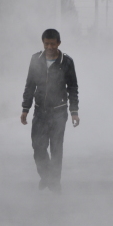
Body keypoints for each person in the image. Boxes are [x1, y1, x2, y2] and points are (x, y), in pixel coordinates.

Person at [20, 29, 80, 191]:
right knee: (38, 147)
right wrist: (25, 108)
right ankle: (47, 176)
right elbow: (30, 85)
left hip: (59, 112)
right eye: (46, 43)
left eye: (53, 44)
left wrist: (74, 112)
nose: (49, 47)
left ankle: (55, 182)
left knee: (56, 148)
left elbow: (73, 88)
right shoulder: (35, 60)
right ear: (43, 43)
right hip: (40, 111)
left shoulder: (66, 62)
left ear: (58, 43)